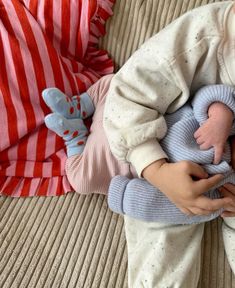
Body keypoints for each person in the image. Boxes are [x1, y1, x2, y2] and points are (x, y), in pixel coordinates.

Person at [103, 1, 235, 287]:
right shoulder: (202, 36)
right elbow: (127, 95)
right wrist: (157, 171)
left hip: (226, 193)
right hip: (166, 160)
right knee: (159, 260)